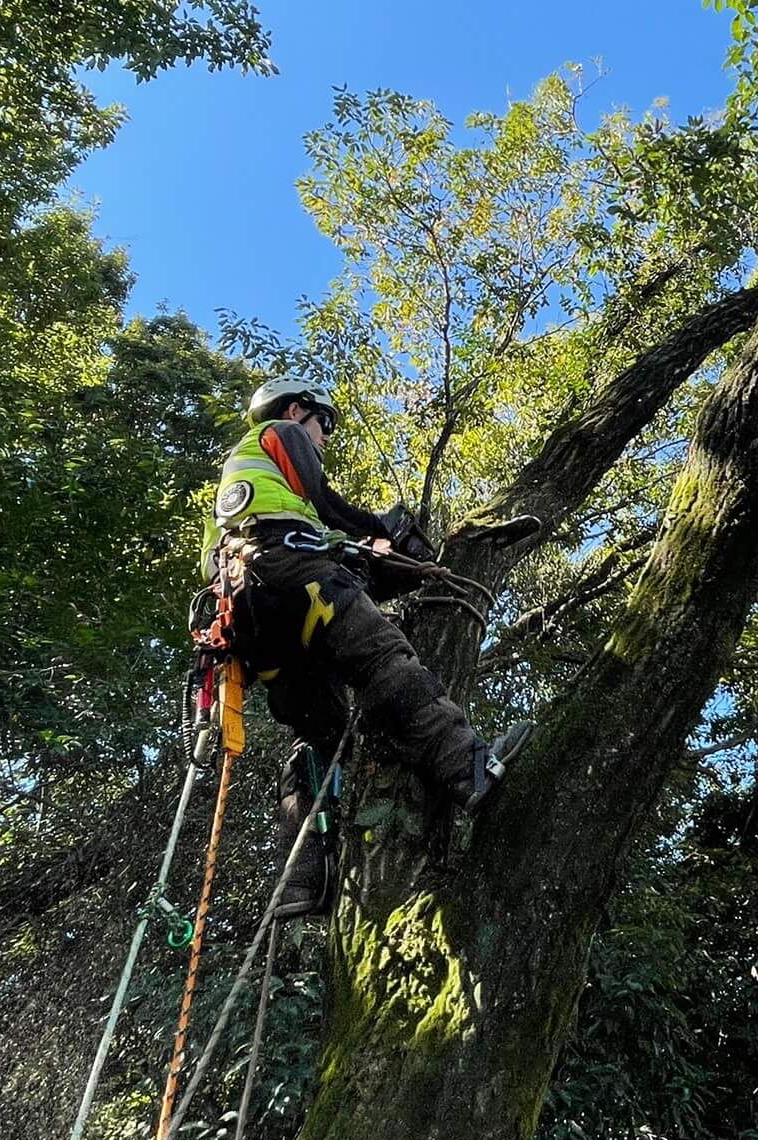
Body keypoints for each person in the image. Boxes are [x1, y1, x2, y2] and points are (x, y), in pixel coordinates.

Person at [201, 377, 533, 917]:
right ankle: (467, 768)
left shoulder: (234, 513)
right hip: (290, 573)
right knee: (383, 661)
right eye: (323, 423)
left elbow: (317, 537)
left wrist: (372, 559)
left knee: (320, 739)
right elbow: (323, 502)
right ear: (294, 409)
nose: (324, 438)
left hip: (254, 621)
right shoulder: (278, 433)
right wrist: (377, 528)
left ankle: (303, 876)